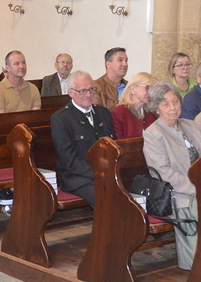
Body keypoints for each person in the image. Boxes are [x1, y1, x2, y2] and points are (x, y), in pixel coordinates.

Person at [142, 82, 201, 270]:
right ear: (156, 108)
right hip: (178, 195)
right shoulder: (153, 134)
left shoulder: (191, 126)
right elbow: (163, 172)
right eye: (165, 104)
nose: (173, 107)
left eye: (175, 101)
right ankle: (198, 268)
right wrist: (196, 188)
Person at [50, 70, 114, 206]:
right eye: (83, 91)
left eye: (91, 89)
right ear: (71, 92)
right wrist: (97, 173)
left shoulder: (103, 113)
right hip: (78, 177)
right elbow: (69, 160)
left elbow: (114, 146)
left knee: (132, 188)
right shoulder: (61, 118)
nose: (89, 95)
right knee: (103, 196)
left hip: (106, 172)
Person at [109, 72, 157, 139]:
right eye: (147, 88)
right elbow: (118, 143)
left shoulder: (151, 115)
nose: (150, 93)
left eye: (153, 89)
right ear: (132, 89)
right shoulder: (118, 113)